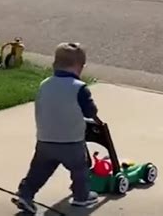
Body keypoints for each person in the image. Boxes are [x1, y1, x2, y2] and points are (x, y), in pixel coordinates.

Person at [11, 42, 100, 214]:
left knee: (38, 171)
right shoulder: (79, 88)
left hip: (45, 141)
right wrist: (95, 117)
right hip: (71, 143)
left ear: (54, 64)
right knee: (80, 170)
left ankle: (25, 194)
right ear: (79, 66)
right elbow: (90, 111)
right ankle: (81, 197)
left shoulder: (44, 84)